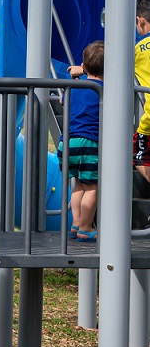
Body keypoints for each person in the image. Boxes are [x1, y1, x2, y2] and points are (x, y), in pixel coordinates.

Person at [59, 40, 104, 243]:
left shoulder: (72, 88)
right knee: (92, 187)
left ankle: (76, 224)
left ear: (84, 67)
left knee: (78, 185)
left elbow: (62, 101)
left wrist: (77, 76)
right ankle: (87, 227)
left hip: (67, 143)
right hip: (88, 143)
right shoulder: (103, 90)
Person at [134, 0, 150, 184]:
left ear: (141, 21)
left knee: (137, 156)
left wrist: (84, 67)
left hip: (148, 121)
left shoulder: (138, 48)